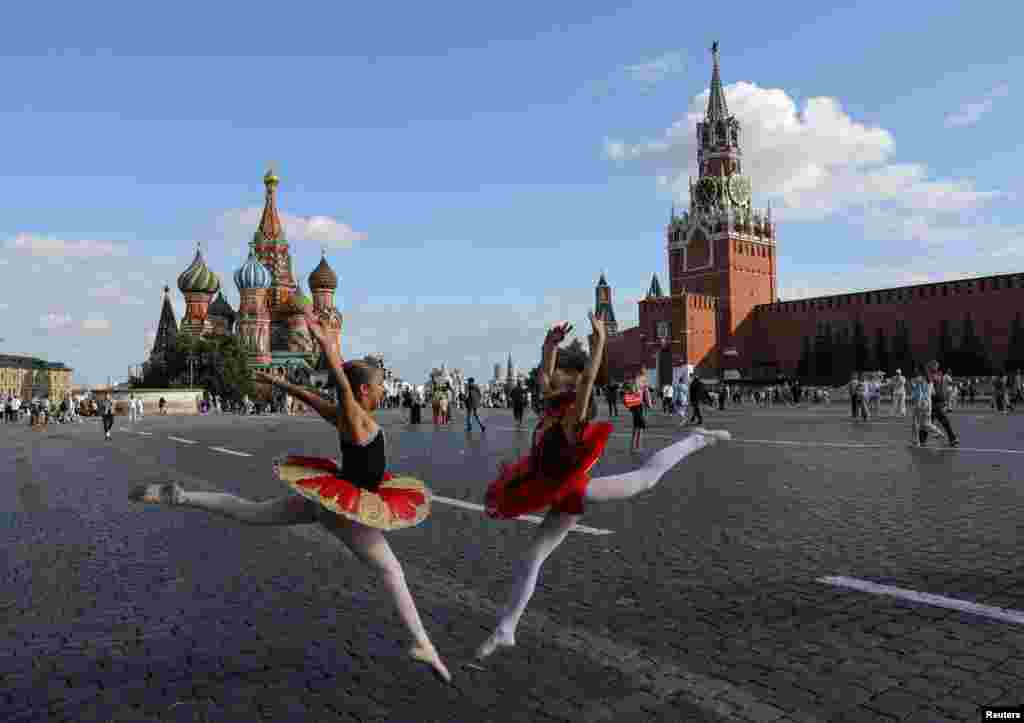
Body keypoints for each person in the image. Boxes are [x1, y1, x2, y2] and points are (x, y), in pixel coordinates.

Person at [129, 306, 450, 683]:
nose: (383, 391)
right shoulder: (356, 415)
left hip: (327, 500)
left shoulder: (346, 417)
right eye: (379, 386)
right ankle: (421, 643)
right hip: (347, 509)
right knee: (392, 570)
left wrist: (276, 381)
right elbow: (342, 386)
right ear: (364, 390)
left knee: (252, 511)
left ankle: (181, 496)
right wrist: (327, 344)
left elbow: (308, 395)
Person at [478, 313, 729, 660]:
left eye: (566, 377)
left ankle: (696, 440)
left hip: (573, 490)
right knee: (531, 560)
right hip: (547, 486)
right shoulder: (551, 411)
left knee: (646, 479)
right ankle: (507, 628)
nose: (557, 378)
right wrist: (549, 346)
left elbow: (587, 381)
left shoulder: (572, 420)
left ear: (572, 395)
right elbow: (545, 376)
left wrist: (599, 346)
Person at [927, 360, 958, 447]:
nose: (935, 367)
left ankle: (952, 438)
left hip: (937, 400)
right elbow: (931, 386)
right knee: (928, 422)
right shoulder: (930, 375)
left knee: (941, 420)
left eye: (936, 365)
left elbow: (939, 387)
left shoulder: (939, 374)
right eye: (934, 365)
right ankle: (952, 438)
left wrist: (943, 400)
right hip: (931, 400)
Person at [625, 378, 646, 452]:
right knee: (637, 429)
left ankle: (636, 446)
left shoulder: (637, 389)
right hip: (637, 411)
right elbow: (632, 400)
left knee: (638, 429)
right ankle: (634, 447)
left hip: (638, 410)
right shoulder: (633, 391)